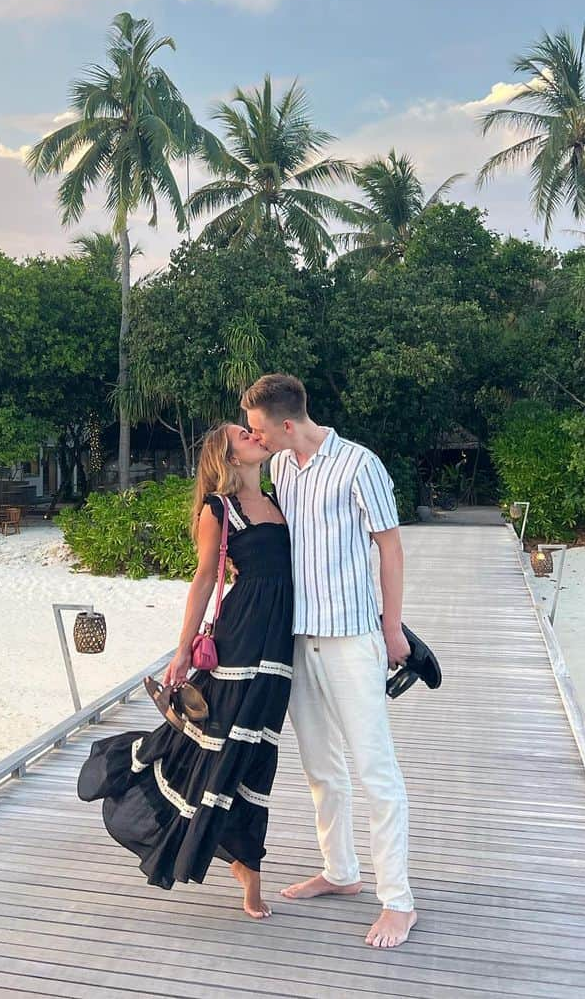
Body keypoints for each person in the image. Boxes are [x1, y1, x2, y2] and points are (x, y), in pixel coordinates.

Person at [77, 423, 293, 918]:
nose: (255, 435)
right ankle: (245, 871)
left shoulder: (283, 502)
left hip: (280, 649)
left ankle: (242, 861)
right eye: (244, 434)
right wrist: (180, 652)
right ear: (229, 456)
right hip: (238, 643)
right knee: (219, 749)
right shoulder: (218, 510)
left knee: (258, 756)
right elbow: (201, 581)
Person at [242, 372, 418, 950]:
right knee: (320, 766)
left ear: (286, 424)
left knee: (375, 770)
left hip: (352, 638)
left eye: (258, 428)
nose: (254, 436)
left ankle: (398, 901)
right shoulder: (279, 469)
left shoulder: (359, 465)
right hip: (298, 638)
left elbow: (389, 547)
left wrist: (393, 629)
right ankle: (340, 872)